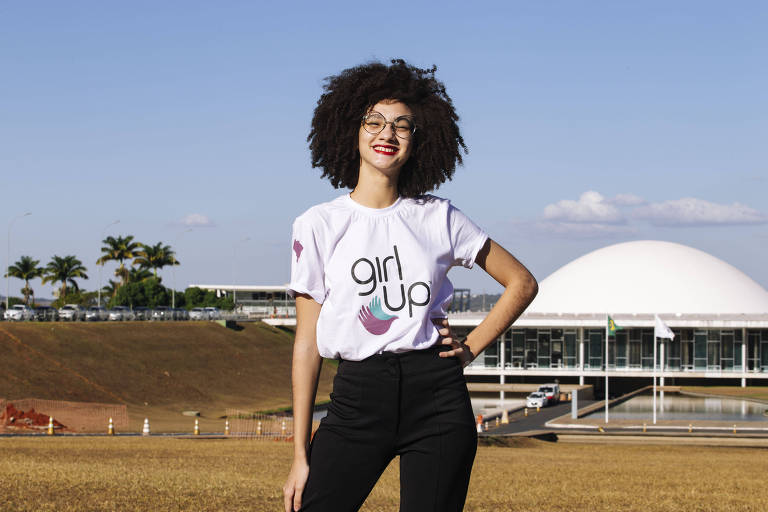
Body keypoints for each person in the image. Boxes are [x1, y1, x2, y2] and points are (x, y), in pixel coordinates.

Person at [283, 59, 538, 512]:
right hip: (358, 397)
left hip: (436, 396)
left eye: (403, 126)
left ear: (419, 141)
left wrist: (471, 347)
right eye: (374, 122)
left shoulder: (439, 217)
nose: (388, 134)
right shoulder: (318, 224)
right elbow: (306, 342)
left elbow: (521, 282)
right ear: (351, 129)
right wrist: (300, 454)